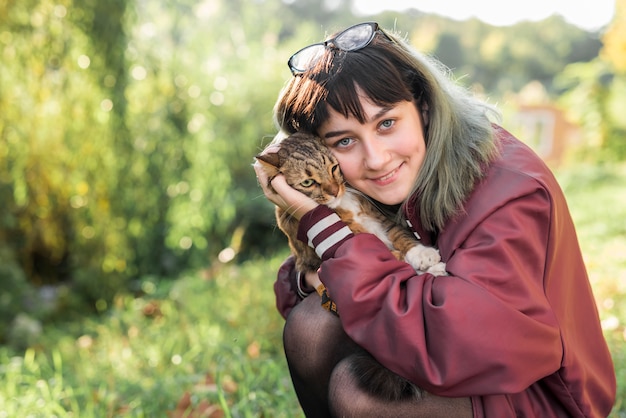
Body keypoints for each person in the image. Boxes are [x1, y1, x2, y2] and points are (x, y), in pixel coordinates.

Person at [254, 21, 616, 417]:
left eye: (387, 123)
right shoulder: (385, 182)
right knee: (312, 327)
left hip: (535, 394)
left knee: (360, 398)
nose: (376, 159)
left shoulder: (509, 191)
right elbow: (310, 288)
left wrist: (327, 232)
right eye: (344, 141)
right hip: (453, 358)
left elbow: (458, 344)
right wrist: (307, 229)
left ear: (423, 107)